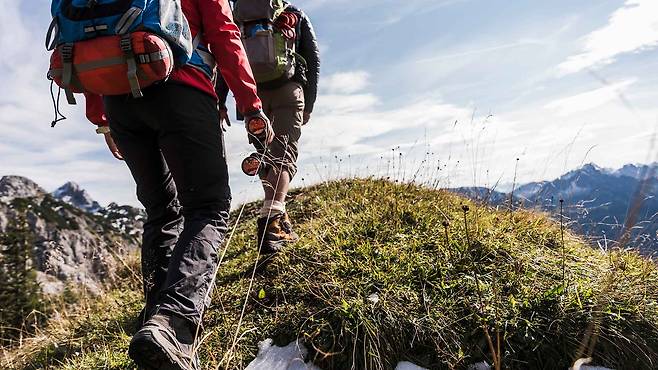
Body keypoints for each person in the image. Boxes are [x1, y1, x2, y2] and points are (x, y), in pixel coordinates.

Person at [84, 1, 272, 369]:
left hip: (119, 100)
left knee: (160, 211)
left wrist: (102, 118)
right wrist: (250, 105)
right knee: (208, 207)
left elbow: (91, 37)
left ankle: (155, 322)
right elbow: (223, 34)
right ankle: (173, 326)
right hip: (183, 88)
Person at [217, 0, 320, 254]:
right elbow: (312, 60)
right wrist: (309, 103)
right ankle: (272, 223)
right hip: (288, 90)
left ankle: (275, 214)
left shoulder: (236, 15)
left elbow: (226, 56)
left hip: (252, 98)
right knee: (283, 154)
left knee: (266, 156)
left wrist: (220, 101)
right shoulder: (293, 14)